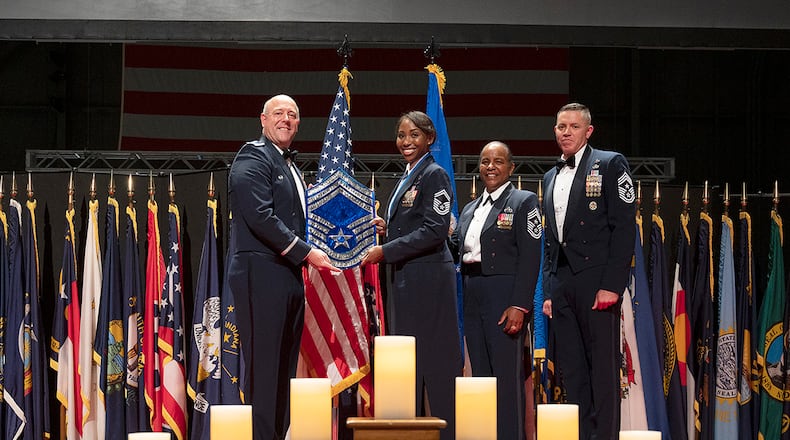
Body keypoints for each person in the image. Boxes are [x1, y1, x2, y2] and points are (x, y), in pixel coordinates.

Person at [227, 94, 339, 440]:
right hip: (261, 274)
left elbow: (301, 219)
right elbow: (261, 216)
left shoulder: (288, 164)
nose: (286, 119)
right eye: (279, 113)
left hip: (287, 275)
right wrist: (307, 253)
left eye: (292, 115)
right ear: (263, 119)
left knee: (282, 371)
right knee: (265, 372)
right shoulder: (253, 156)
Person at [361, 111, 462, 440]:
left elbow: (435, 230)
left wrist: (386, 251)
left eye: (414, 135)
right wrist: (387, 230)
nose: (406, 142)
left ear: (429, 139)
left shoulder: (435, 174)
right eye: (402, 135)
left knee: (435, 365)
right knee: (408, 367)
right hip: (407, 281)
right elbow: (414, 224)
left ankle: (446, 433)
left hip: (430, 282)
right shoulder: (409, 176)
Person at [541, 103, 635, 440]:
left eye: (573, 126)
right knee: (572, 370)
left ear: (588, 131)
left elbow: (623, 229)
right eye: (560, 126)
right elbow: (551, 241)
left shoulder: (610, 164)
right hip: (563, 283)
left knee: (602, 371)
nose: (565, 132)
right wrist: (551, 290)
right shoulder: (550, 176)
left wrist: (612, 284)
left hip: (597, 281)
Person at [451, 141, 542, 440]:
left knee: (505, 377)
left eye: (498, 161)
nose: (491, 166)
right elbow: (457, 249)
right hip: (472, 291)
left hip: (504, 295)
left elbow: (531, 258)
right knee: (480, 377)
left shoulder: (524, 201)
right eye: (485, 161)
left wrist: (520, 304)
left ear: (511, 167)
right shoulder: (469, 209)